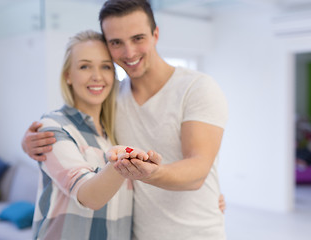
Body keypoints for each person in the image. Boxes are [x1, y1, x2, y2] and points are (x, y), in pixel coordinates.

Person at [23, 0, 228, 239]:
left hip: (196, 233)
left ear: (155, 34)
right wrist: (28, 142)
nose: (129, 52)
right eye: (116, 43)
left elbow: (198, 170)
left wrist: (147, 173)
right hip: (136, 233)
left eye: (138, 38)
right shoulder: (111, 98)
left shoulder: (197, 88)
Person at [30, 29, 160, 240]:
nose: (97, 76)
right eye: (84, 66)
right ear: (68, 76)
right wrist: (121, 163)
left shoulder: (114, 133)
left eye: (106, 67)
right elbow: (89, 196)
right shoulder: (53, 127)